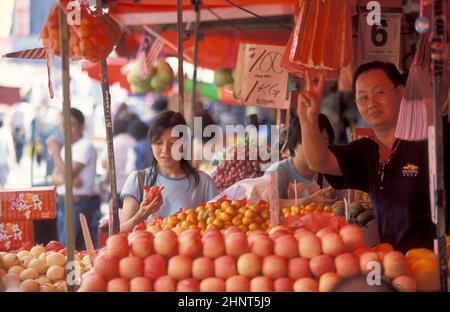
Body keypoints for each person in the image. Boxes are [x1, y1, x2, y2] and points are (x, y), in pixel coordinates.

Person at [297, 62, 449, 253]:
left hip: (436, 268)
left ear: (401, 93)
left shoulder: (432, 139)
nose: (371, 103)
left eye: (379, 93)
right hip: (394, 268)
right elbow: (319, 161)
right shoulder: (366, 151)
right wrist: (308, 120)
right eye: (363, 97)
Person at [120, 111, 217, 232]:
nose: (165, 150)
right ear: (150, 144)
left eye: (173, 143)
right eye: (159, 143)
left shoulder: (204, 183)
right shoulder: (138, 180)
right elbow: (122, 232)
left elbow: (215, 226)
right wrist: (142, 214)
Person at [46, 108, 100, 250]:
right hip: (64, 202)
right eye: (63, 125)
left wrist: (55, 152)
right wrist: (69, 179)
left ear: (82, 126)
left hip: (78, 204)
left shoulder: (85, 146)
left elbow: (65, 175)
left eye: (71, 125)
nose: (66, 129)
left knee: (68, 249)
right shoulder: (68, 148)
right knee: (66, 248)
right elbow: (54, 178)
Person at [266, 113, 336, 199]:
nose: (318, 146)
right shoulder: (277, 172)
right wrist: (310, 200)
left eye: (324, 139)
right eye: (312, 140)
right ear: (294, 143)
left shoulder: (332, 173)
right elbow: (268, 205)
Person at [0, 113, 17, 187]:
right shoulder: (5, 132)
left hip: (3, 162)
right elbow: (10, 149)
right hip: (4, 162)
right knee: (5, 185)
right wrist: (14, 162)